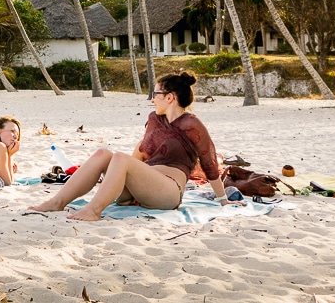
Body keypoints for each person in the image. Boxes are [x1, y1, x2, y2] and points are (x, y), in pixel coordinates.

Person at [29, 71, 239, 220]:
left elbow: (210, 163)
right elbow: (141, 152)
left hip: (168, 191)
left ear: (169, 97)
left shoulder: (192, 124)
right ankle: (57, 202)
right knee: (104, 154)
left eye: (155, 95)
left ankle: (93, 211)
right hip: (142, 187)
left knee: (119, 157)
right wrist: (119, 180)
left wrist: (223, 200)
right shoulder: (155, 119)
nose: (152, 100)